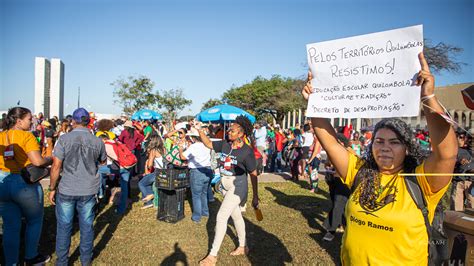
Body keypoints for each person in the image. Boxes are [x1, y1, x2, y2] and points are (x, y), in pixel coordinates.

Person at [301, 52, 457, 265]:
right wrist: (315, 103)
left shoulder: (422, 181)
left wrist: (428, 97)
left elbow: (446, 152)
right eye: (379, 141)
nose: (385, 147)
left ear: (407, 148)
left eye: (394, 142)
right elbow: (328, 140)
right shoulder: (359, 172)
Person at [197, 115, 259, 266]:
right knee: (236, 216)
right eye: (229, 129)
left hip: (238, 186)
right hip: (225, 185)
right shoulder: (225, 144)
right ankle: (243, 247)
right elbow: (209, 144)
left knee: (221, 216)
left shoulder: (247, 152)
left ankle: (212, 255)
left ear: (241, 134)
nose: (229, 132)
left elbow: (253, 174)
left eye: (232, 130)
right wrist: (199, 130)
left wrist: (255, 196)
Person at [48, 108, 107, 265]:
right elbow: (103, 162)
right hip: (88, 189)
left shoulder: (64, 139)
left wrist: (52, 188)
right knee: (87, 226)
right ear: (88, 122)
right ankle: (85, 260)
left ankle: (62, 262)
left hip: (67, 188)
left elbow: (56, 166)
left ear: (73, 121)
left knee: (64, 227)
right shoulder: (97, 141)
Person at [0, 107, 53, 265]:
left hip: (3, 180)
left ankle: (11, 262)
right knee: (34, 220)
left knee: (10, 226)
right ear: (19, 121)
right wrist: (50, 159)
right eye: (29, 119)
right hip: (25, 183)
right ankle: (31, 256)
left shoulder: (1, 135)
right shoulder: (27, 136)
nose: (32, 122)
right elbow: (37, 161)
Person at [178, 129, 212, 222]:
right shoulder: (206, 145)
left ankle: (197, 216)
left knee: (196, 195)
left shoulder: (194, 146)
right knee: (204, 193)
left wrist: (180, 149)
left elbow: (183, 157)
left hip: (197, 171)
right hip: (207, 170)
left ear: (193, 138)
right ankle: (205, 212)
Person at [138, 134, 166, 209]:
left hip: (158, 172)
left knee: (141, 183)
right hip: (165, 172)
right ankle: (149, 200)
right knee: (147, 181)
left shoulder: (153, 150)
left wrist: (148, 161)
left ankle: (149, 197)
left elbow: (149, 165)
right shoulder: (164, 149)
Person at [450, 130, 473, 211]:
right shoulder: (458, 150)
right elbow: (450, 161)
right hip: (458, 181)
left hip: (472, 184)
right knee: (456, 209)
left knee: (472, 208)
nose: (471, 140)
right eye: (469, 137)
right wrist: (458, 160)